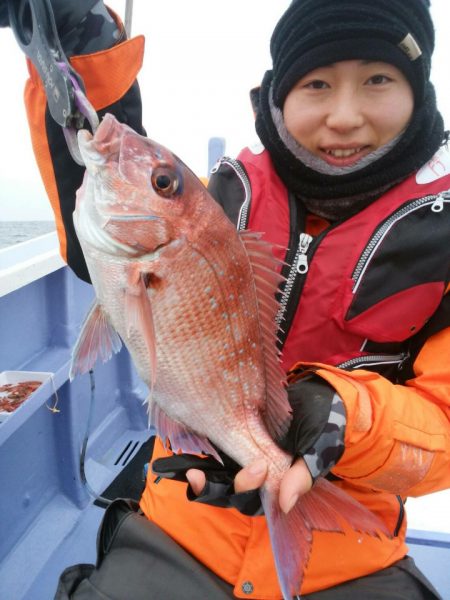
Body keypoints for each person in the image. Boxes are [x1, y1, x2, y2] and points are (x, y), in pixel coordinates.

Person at [2, 0, 450, 598]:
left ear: (419, 92)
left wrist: (346, 416)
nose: (345, 115)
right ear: (276, 96)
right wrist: (81, 43)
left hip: (354, 547)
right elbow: (105, 217)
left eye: (377, 79)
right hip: (184, 509)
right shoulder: (224, 199)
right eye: (317, 83)